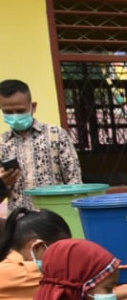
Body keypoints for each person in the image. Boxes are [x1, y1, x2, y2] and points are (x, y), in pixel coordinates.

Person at [0, 79, 83, 212]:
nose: (15, 116)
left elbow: (74, 180)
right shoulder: (2, 143)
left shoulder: (56, 135)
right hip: (18, 223)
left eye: (20, 110)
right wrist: (3, 184)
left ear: (33, 107)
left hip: (54, 219)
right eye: (8, 112)